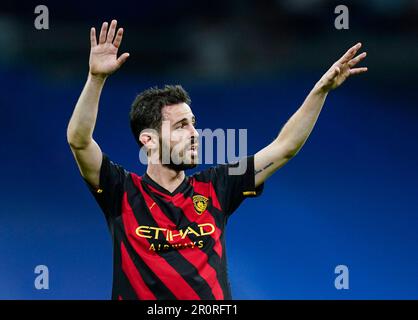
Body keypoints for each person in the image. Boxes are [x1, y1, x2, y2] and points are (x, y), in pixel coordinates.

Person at [67, 19, 367, 300]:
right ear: (148, 138)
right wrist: (96, 78)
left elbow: (285, 146)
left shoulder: (217, 186)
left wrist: (320, 91)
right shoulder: (121, 191)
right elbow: (79, 141)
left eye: (194, 123)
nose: (195, 133)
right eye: (182, 126)